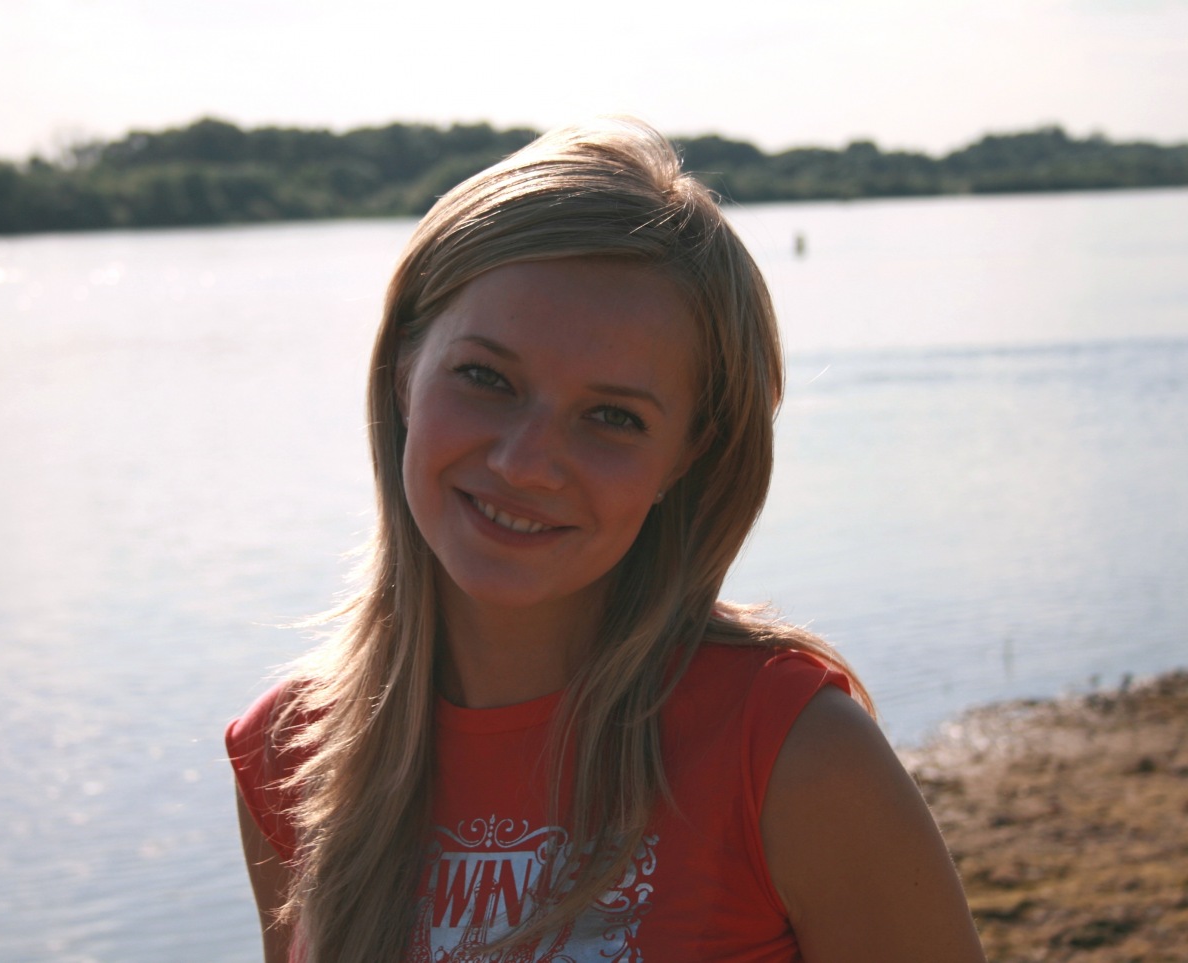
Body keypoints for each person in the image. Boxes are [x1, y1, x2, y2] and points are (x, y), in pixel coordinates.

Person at [226, 118, 987, 963]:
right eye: (486, 377)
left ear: (686, 455)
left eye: (613, 418)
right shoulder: (290, 752)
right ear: (405, 367)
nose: (525, 462)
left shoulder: (791, 753)